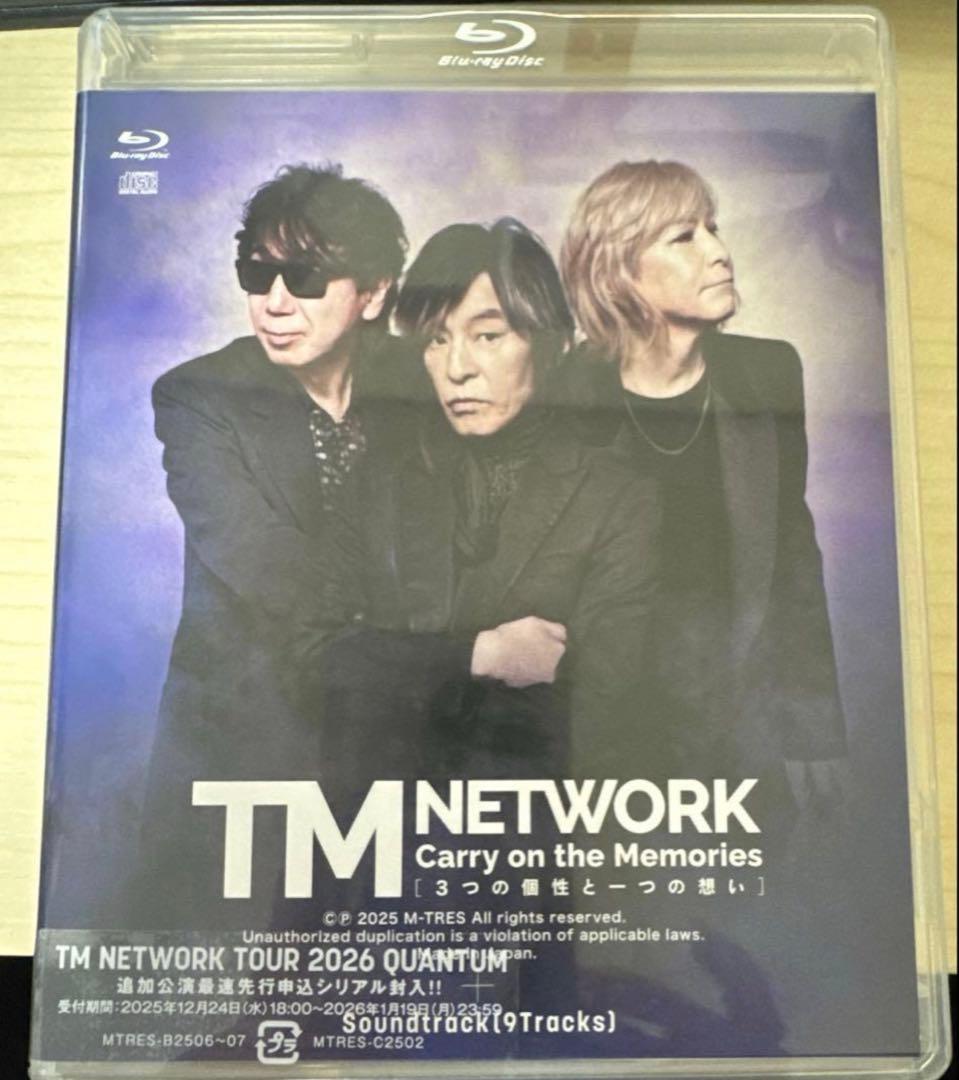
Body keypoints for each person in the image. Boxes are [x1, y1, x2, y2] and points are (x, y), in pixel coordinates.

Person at [137, 163, 409, 928]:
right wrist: (452, 644)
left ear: (373, 292)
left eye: (307, 277)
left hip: (401, 745)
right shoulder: (199, 396)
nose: (276, 301)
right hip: (244, 750)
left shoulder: (424, 384)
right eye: (257, 274)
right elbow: (270, 570)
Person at [559, 160, 846, 833]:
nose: (719, 251)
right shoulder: (562, 392)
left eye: (712, 228)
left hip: (737, 730)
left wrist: (813, 728)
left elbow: (791, 557)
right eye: (683, 236)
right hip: (602, 740)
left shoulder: (766, 372)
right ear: (618, 270)